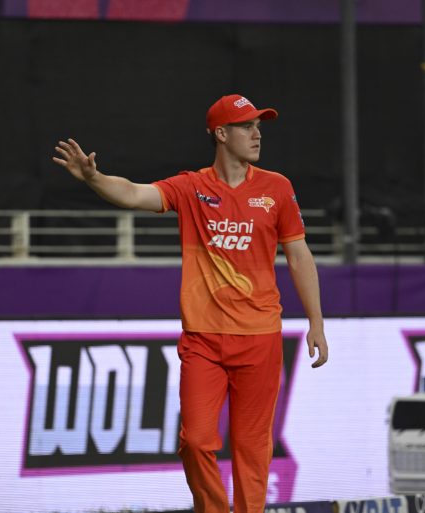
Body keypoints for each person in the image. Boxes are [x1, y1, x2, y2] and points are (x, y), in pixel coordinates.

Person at [53, 94, 328, 513]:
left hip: (260, 339)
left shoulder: (277, 188)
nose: (257, 134)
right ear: (221, 134)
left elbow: (299, 255)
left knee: (252, 449)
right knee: (196, 441)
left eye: (258, 126)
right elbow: (134, 194)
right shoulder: (191, 187)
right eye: (246, 126)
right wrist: (94, 178)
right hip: (203, 341)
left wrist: (316, 323)